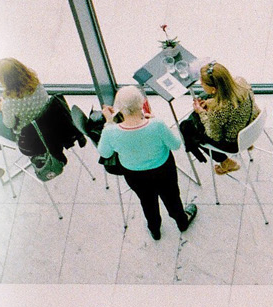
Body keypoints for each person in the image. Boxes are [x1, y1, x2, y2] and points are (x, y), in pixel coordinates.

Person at [98, 85, 197, 241]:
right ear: (141, 104)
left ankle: (155, 229)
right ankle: (181, 221)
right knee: (172, 198)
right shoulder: (156, 125)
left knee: (147, 201)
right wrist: (155, 122)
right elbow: (176, 145)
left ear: (118, 109)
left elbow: (105, 153)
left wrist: (109, 122)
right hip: (163, 169)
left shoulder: (111, 132)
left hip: (134, 174)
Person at [0, 59, 66, 173]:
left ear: (5, 80)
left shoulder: (10, 102)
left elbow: (8, 124)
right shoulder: (34, 81)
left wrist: (3, 108)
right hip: (45, 123)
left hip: (26, 137)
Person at [178, 62, 257, 175]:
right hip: (249, 125)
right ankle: (248, 144)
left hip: (233, 143)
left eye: (203, 84)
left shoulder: (218, 111)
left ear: (214, 89)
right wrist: (210, 103)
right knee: (203, 97)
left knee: (186, 127)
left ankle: (225, 162)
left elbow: (214, 136)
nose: (201, 85)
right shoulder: (241, 83)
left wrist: (201, 112)